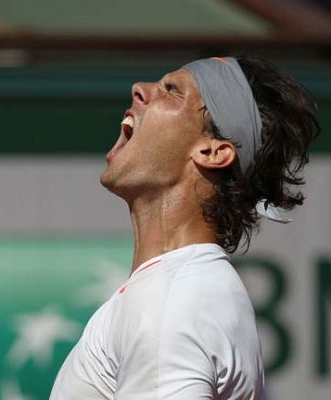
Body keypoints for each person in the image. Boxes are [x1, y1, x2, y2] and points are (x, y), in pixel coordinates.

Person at [50, 56, 321, 399]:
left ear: (212, 152)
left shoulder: (174, 298)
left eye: (172, 91)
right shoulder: (173, 289)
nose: (140, 90)